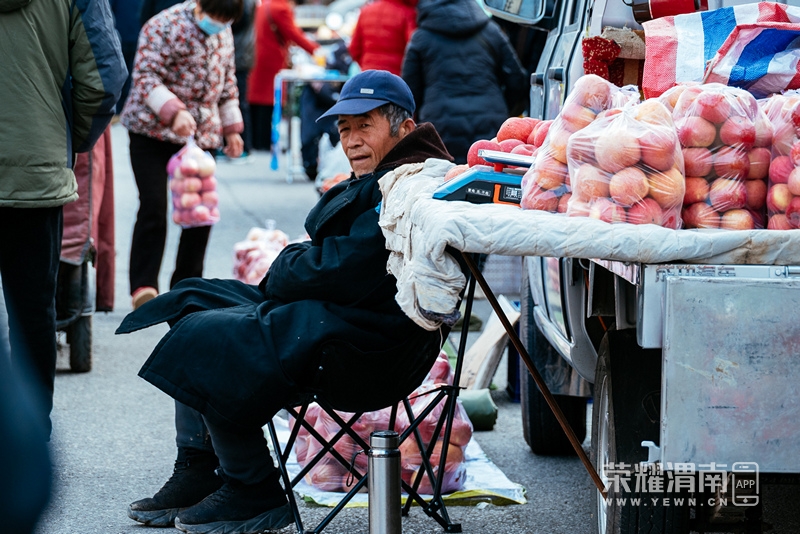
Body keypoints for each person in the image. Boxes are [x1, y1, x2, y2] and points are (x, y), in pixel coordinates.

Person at [117, 70, 454, 533]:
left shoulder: (408, 183)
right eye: (345, 129)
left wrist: (286, 265)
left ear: (404, 127)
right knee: (192, 300)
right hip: (337, 312)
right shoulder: (386, 173)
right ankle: (198, 468)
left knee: (211, 334)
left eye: (365, 126)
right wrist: (292, 266)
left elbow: (348, 270)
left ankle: (252, 486)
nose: (352, 141)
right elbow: (333, 266)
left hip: (367, 343)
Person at [0, 0, 126, 439]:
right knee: (33, 312)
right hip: (34, 170)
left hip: (35, 168)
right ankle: (28, 441)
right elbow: (105, 77)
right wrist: (64, 138)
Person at [120, 0, 245, 310]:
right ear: (200, 5)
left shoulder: (223, 32)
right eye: (214, 17)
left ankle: (187, 288)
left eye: (225, 20)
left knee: (200, 211)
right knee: (153, 206)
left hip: (199, 137)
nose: (219, 24)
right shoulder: (163, 25)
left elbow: (228, 84)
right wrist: (173, 111)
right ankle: (144, 287)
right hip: (150, 132)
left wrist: (232, 129)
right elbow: (146, 77)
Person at [401, 0, 528, 163]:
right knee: (489, 175)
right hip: (490, 123)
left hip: (439, 129)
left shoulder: (421, 38)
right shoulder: (491, 31)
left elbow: (409, 93)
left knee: (446, 176)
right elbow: (517, 80)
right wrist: (503, 109)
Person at [248, 0, 319, 152]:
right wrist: (316, 50)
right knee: (270, 100)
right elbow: (294, 34)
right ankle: (264, 143)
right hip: (272, 60)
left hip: (259, 57)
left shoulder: (265, 5)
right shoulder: (280, 8)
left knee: (258, 100)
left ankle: (256, 142)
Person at [348, 0, 417, 76]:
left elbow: (354, 48)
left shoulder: (366, 11)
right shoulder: (407, 12)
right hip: (396, 74)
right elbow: (413, 46)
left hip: (368, 72)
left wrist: (367, 64)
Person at [229, 0, 258, 160]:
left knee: (238, 101)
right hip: (240, 54)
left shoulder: (243, 4)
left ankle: (242, 147)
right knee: (238, 101)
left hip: (239, 54)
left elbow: (238, 21)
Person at [111, 0, 145, 114]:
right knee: (118, 76)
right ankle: (116, 109)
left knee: (132, 77)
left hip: (137, 38)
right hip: (120, 38)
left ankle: (124, 109)